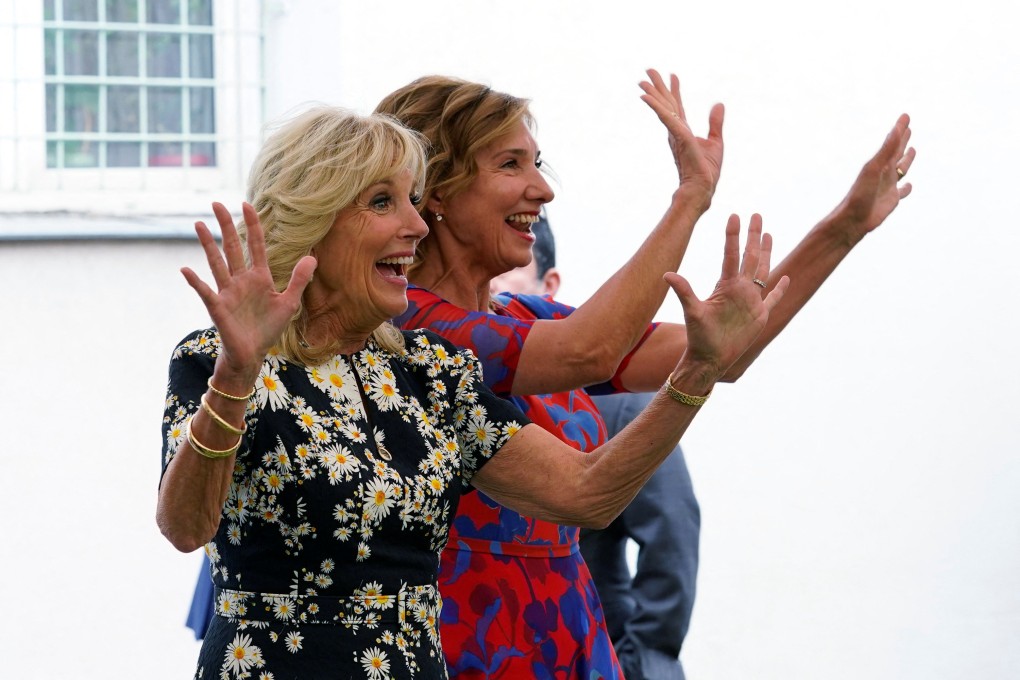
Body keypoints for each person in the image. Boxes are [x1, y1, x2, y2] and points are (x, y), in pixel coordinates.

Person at [156, 105, 789, 679]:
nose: (416, 226)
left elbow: (586, 493)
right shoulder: (216, 359)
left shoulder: (432, 373)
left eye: (414, 200)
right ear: (316, 220)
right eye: (384, 202)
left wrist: (698, 372)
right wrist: (235, 378)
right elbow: (186, 527)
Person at [376, 70, 914, 678]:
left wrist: (844, 225)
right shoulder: (414, 327)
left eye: (538, 163)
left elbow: (723, 352)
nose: (542, 190)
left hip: (571, 632)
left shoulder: (524, 316)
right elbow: (590, 351)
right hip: (474, 639)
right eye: (510, 165)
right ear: (439, 190)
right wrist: (690, 196)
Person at [489, 215, 699, 680]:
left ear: (549, 286)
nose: (494, 297)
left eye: (509, 282)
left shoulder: (619, 405)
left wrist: (642, 658)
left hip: (593, 649)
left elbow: (671, 539)